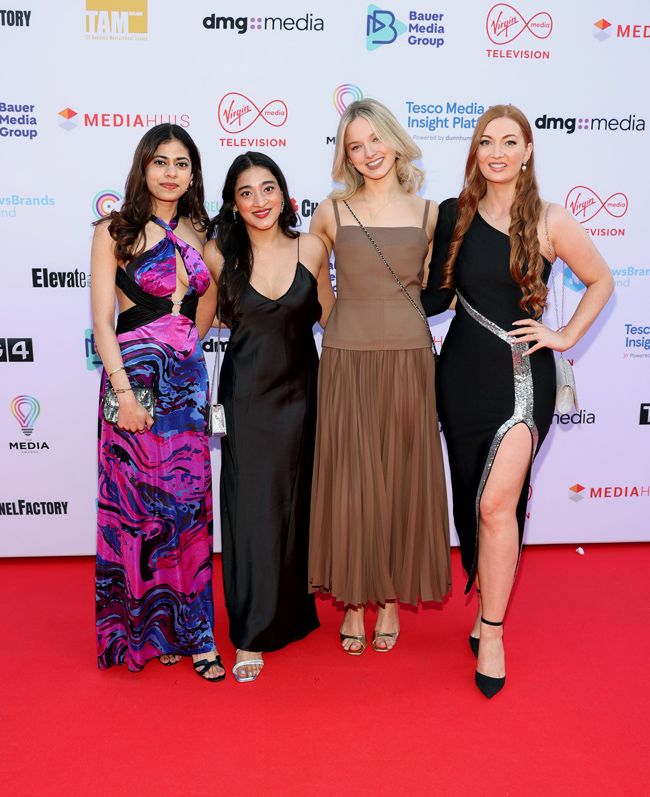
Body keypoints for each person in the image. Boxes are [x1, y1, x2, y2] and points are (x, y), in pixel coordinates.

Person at [421, 104, 614, 697]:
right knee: (474, 503)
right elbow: (434, 299)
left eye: (510, 141)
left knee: (496, 504)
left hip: (523, 378)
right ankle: (487, 603)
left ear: (528, 151)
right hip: (460, 377)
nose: (497, 152)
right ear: (475, 151)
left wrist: (564, 335)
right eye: (487, 142)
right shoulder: (453, 214)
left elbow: (602, 280)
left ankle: (493, 630)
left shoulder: (551, 220)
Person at [308, 99, 451, 655]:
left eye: (375, 139)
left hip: (410, 359)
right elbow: (314, 287)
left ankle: (388, 597)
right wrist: (344, 324)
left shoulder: (429, 213)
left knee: (399, 478)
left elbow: (439, 289)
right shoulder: (331, 212)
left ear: (394, 140)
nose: (368, 153)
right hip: (347, 358)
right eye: (355, 145)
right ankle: (351, 599)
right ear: (346, 156)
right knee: (350, 481)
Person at [91, 124, 225, 681]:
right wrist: (124, 391)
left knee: (186, 508)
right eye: (160, 161)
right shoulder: (113, 231)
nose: (171, 172)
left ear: (193, 174)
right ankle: (149, 629)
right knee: (139, 510)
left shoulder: (203, 233)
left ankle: (195, 633)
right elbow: (102, 322)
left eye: (181, 163)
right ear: (143, 167)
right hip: (132, 383)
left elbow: (206, 308)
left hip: (185, 385)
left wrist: (180, 350)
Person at [203, 152, 334, 682]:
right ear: (233, 205)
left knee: (296, 504)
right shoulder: (219, 254)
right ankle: (251, 632)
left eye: (268, 188)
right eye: (246, 193)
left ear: (284, 194)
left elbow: (333, 318)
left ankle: (293, 613)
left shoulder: (313, 247)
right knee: (252, 509)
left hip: (305, 394)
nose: (259, 201)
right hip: (248, 398)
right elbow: (197, 324)